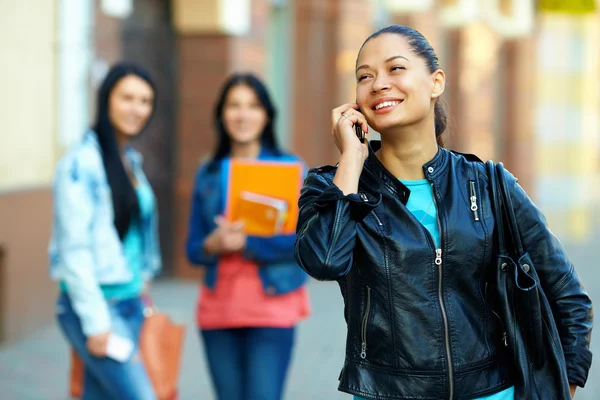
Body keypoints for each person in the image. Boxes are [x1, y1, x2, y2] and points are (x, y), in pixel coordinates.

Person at [294, 25, 593, 400]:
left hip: (491, 390)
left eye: (395, 69)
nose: (378, 83)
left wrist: (564, 384)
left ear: (435, 82)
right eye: (364, 76)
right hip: (387, 392)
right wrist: (352, 161)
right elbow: (323, 261)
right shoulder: (334, 187)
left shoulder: (489, 185)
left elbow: (569, 296)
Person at [185, 73, 311, 400]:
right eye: (234, 106)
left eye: (253, 106)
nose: (242, 115)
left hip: (273, 303)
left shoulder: (291, 170)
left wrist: (249, 243)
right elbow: (193, 250)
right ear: (221, 114)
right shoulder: (209, 172)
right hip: (218, 306)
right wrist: (214, 244)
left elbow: (305, 243)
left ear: (267, 114)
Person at [49, 62, 161, 400]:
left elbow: (134, 232)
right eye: (127, 97)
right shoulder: (81, 162)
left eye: (145, 100)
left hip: (130, 302)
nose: (137, 109)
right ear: (106, 99)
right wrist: (97, 322)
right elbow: (75, 249)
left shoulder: (130, 160)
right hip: (98, 307)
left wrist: (142, 274)